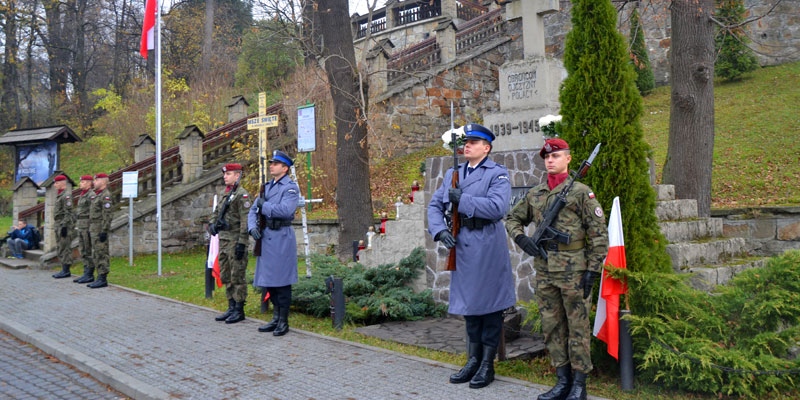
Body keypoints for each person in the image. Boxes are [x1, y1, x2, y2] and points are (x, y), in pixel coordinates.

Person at [505, 138, 608, 400]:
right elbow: (513, 218)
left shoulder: (582, 193)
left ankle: (579, 385)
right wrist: (521, 239)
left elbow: (598, 235)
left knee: (577, 327)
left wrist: (593, 271)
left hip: (574, 270)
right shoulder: (536, 193)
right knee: (552, 326)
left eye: (556, 156)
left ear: (568, 159)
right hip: (545, 270)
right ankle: (562, 381)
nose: (550, 160)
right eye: (547, 157)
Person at [427, 123, 515, 389]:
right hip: (462, 244)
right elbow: (434, 205)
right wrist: (440, 231)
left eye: (474, 142)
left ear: (486, 148)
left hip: (487, 244)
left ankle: (487, 363)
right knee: (470, 307)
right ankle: (473, 359)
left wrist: (462, 200)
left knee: (489, 306)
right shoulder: (453, 173)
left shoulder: (496, 174)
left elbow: (497, 207)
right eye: (466, 142)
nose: (467, 146)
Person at [248, 150, 300, 336]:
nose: (271, 166)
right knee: (270, 282)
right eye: (271, 163)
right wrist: (252, 228)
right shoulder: (267, 187)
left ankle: (283, 321)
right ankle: (275, 318)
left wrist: (266, 206)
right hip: (266, 238)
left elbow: (286, 210)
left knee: (282, 282)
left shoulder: (291, 188)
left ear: (285, 168)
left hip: (281, 239)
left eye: (275, 163)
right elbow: (253, 210)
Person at [208, 163, 251, 324]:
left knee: (237, 275)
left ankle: (239, 309)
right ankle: (231, 306)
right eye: (225, 174)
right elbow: (216, 213)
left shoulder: (242, 195)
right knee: (226, 274)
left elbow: (245, 221)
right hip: (224, 240)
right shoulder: (226, 194)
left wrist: (242, 242)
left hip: (235, 240)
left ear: (237, 175)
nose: (225, 176)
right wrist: (212, 224)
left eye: (229, 174)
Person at [87, 173, 113, 289]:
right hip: (94, 228)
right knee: (96, 253)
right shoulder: (96, 195)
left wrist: (104, 230)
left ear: (103, 181)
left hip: (100, 229)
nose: (94, 182)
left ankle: (102, 278)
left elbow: (107, 215)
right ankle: (98, 276)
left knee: (101, 253)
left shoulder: (105, 196)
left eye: (96, 180)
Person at [52, 174, 76, 278]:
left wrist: (65, 226)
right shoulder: (60, 195)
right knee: (60, 246)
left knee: (65, 247)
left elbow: (68, 212)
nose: (55, 185)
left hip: (63, 224)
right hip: (58, 224)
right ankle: (63, 268)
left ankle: (66, 270)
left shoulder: (66, 196)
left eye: (56, 183)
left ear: (62, 183)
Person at [73, 175, 95, 283]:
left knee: (88, 249)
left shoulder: (91, 195)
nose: (80, 184)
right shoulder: (82, 195)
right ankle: (85, 271)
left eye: (82, 182)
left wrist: (91, 226)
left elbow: (92, 212)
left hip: (87, 225)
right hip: (81, 225)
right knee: (82, 249)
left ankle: (90, 273)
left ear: (88, 183)